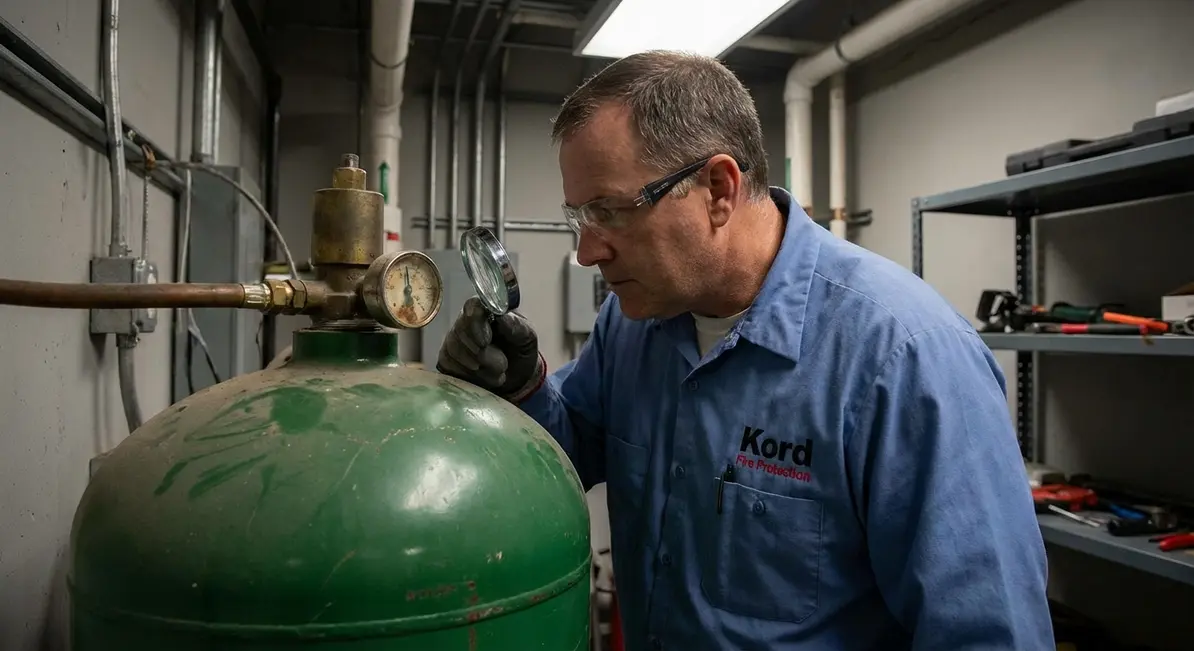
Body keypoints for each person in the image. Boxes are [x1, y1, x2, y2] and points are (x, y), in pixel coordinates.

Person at [436, 50, 1053, 651]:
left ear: (718, 190)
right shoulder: (632, 326)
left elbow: (986, 631)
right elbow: (573, 448)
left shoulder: (905, 358)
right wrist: (524, 390)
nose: (587, 252)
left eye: (610, 212)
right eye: (579, 216)